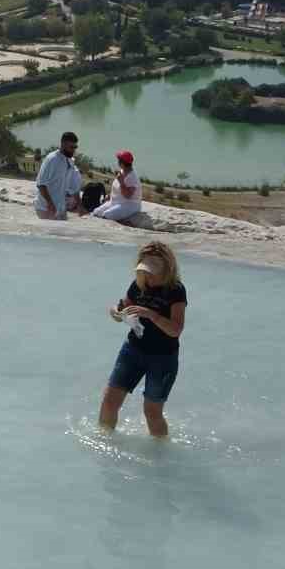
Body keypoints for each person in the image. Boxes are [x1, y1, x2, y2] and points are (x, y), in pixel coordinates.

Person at [99, 241, 188, 438]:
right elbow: (121, 308)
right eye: (145, 270)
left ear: (167, 268)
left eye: (153, 271)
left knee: (152, 412)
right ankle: (104, 440)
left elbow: (175, 330)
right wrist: (116, 312)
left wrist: (151, 315)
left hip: (162, 358)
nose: (149, 275)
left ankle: (161, 452)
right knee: (109, 401)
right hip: (133, 350)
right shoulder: (138, 284)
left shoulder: (176, 290)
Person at [35, 132, 83, 220]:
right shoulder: (52, 159)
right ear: (63, 144)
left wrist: (80, 206)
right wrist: (50, 204)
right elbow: (41, 184)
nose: (74, 150)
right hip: (46, 208)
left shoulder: (70, 161)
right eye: (71, 147)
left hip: (60, 208)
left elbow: (74, 187)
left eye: (75, 147)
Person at [91, 150, 142, 222]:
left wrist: (122, 182)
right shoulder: (122, 171)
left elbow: (127, 195)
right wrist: (110, 196)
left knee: (106, 215)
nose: (117, 162)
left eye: (119, 160)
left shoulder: (132, 177)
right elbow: (116, 188)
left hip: (130, 205)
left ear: (122, 163)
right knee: (96, 212)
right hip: (117, 201)